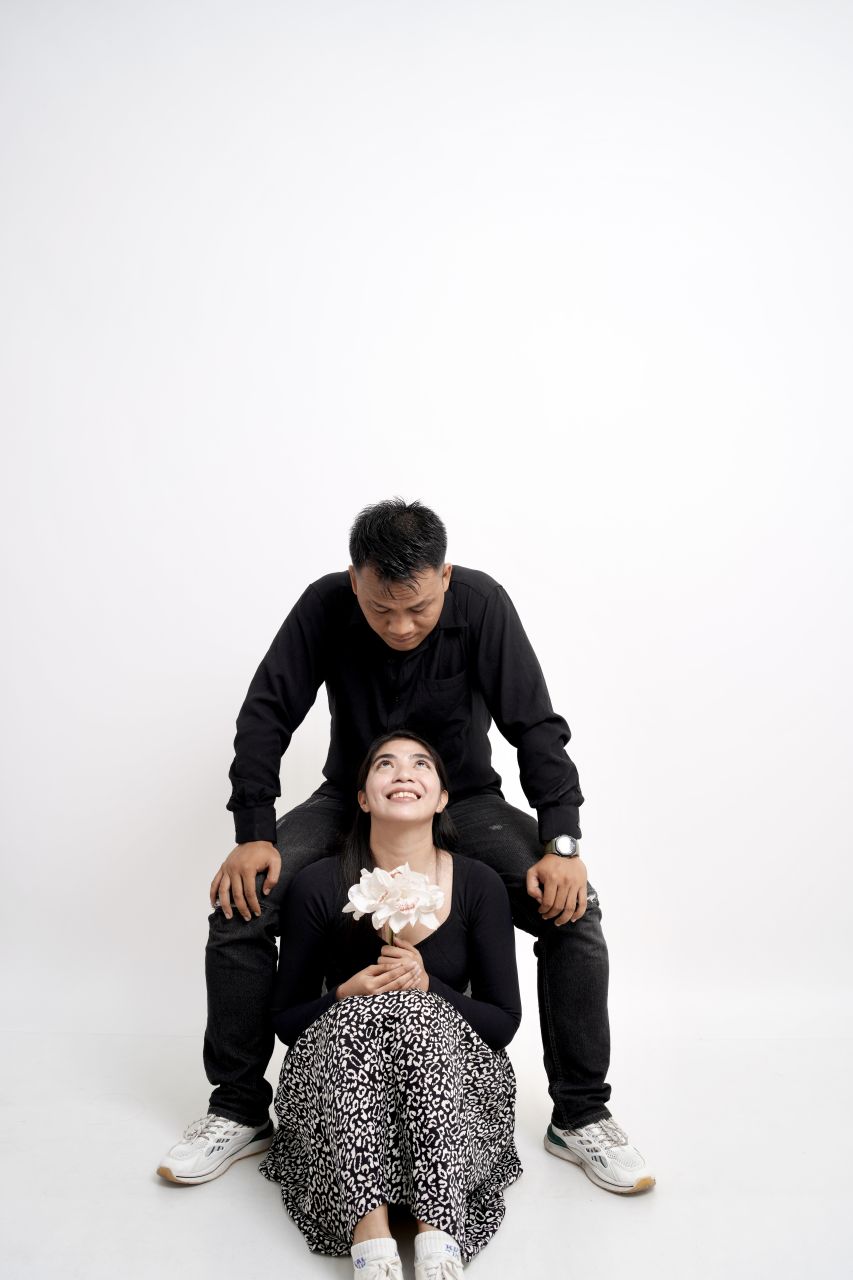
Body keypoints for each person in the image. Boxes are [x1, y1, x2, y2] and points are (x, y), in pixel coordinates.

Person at [157, 498, 654, 1194]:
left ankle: (580, 1114)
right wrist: (254, 834)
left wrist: (561, 842)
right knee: (243, 903)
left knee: (574, 908)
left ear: (444, 577)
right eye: (379, 609)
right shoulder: (323, 605)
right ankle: (238, 1108)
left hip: (463, 800)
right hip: (350, 799)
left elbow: (535, 724)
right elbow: (266, 713)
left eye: (417, 609)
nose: (399, 626)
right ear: (353, 581)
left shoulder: (482, 603)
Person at [259, 731, 522, 1280]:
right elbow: (286, 1021)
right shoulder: (318, 884)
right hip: (340, 1086)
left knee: (418, 1013)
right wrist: (343, 995)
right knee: (361, 1014)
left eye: (421, 764)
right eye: (385, 764)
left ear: (443, 797)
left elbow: (502, 1023)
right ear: (362, 797)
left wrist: (430, 988)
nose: (404, 773)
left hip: (451, 1087)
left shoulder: (479, 884)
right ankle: (370, 1236)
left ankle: (437, 1232)